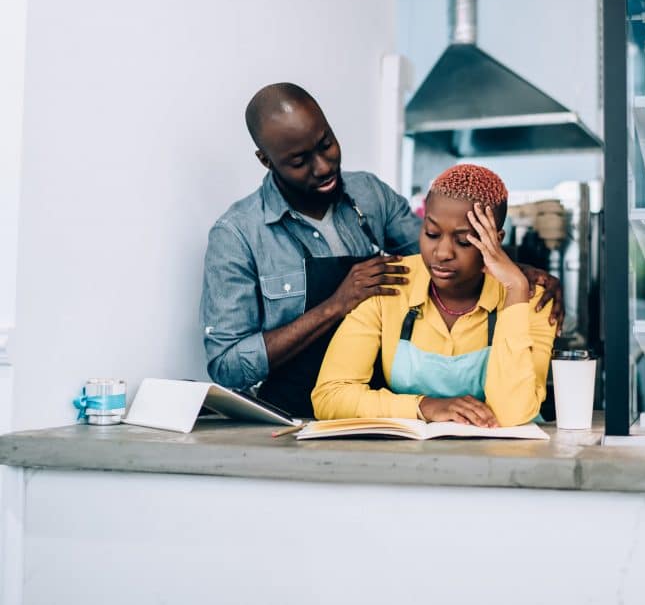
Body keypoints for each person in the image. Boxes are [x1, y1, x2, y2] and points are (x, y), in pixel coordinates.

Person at [201, 83, 562, 417]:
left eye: (326, 143)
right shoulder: (237, 234)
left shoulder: (369, 194)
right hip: (286, 417)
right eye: (299, 161)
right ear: (266, 160)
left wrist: (518, 276)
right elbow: (227, 365)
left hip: (377, 416)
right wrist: (336, 305)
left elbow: (440, 250)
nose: (324, 166)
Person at [312, 165, 556, 427]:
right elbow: (330, 396)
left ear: (495, 239)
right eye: (432, 233)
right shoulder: (389, 284)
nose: (442, 252)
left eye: (464, 241)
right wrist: (423, 405)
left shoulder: (531, 299)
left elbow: (511, 413)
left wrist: (515, 291)